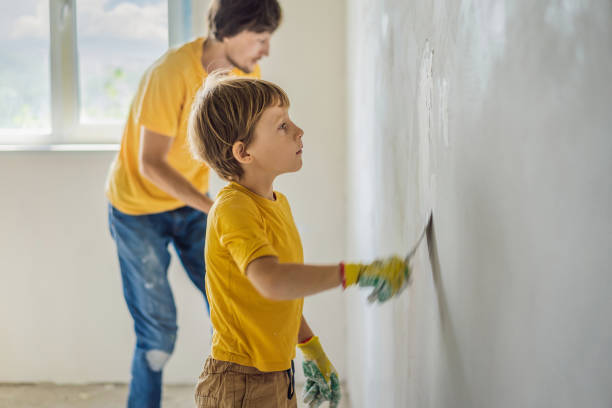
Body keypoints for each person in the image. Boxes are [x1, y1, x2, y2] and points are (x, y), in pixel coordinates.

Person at [188, 74, 411, 408]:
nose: (298, 131)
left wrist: (309, 346)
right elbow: (272, 282)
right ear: (243, 152)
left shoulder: (277, 203)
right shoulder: (232, 208)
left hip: (275, 374)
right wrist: (354, 273)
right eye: (281, 126)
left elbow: (279, 299)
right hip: (239, 384)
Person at [105, 1, 282, 406]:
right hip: (138, 210)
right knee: (158, 335)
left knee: (235, 310)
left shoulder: (245, 73)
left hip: (192, 204)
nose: (266, 50)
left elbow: (239, 149)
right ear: (231, 31)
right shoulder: (171, 74)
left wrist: (254, 202)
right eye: (261, 38)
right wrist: (214, 208)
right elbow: (151, 164)